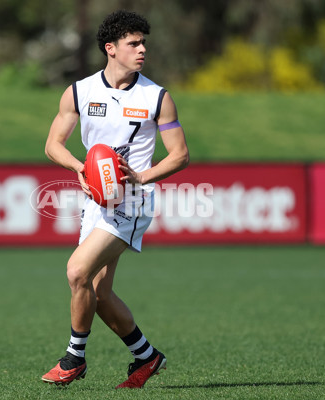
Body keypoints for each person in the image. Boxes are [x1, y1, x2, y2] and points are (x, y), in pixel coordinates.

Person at [41, 10, 189, 389]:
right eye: (133, 43)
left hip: (133, 202)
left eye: (144, 43)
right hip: (98, 201)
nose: (142, 50)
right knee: (100, 292)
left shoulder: (157, 98)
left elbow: (179, 155)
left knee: (77, 271)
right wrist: (79, 168)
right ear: (111, 48)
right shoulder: (79, 91)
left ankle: (74, 358)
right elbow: (52, 144)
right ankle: (147, 356)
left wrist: (141, 176)